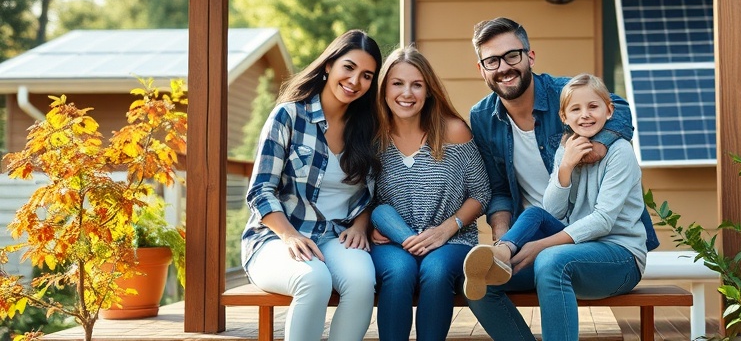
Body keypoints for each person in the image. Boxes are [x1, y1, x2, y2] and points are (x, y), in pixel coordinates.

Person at [466, 17, 643, 341]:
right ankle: (501, 254)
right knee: (478, 286)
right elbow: (505, 192)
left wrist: (599, 145)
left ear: (530, 56)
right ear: (482, 68)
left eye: (512, 56)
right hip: (553, 232)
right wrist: (563, 170)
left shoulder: (568, 94)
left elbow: (619, 106)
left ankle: (509, 253)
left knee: (551, 261)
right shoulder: (484, 117)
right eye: (492, 60)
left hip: (611, 248)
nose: (503, 67)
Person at [240, 29, 383, 341]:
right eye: (349, 67)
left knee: (361, 283)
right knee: (314, 280)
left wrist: (360, 225)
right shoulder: (289, 115)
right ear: (330, 64)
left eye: (367, 75)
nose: (355, 81)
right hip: (275, 239)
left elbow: (373, 195)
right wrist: (289, 236)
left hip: (336, 236)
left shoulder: (369, 128)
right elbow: (261, 190)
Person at [368, 45, 491, 341]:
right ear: (384, 90)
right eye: (397, 83)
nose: (406, 93)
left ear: (429, 91)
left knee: (435, 271)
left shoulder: (454, 131)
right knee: (399, 272)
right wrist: (370, 227)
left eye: (416, 85)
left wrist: (447, 229)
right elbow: (364, 198)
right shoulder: (372, 137)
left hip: (452, 240)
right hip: (394, 241)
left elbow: (481, 193)